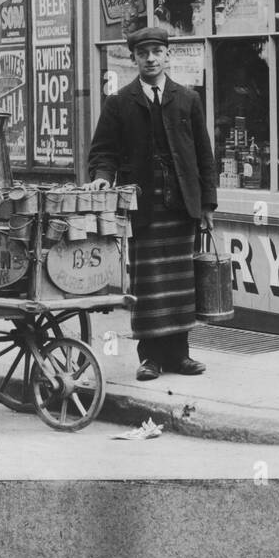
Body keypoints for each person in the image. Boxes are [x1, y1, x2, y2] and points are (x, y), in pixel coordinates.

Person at [87, 27, 217, 380]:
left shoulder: (187, 99)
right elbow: (104, 152)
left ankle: (180, 356)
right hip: (143, 208)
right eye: (143, 53)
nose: (150, 58)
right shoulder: (119, 103)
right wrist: (102, 175)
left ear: (167, 56)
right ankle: (150, 359)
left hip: (181, 206)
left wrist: (207, 204)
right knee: (148, 283)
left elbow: (204, 155)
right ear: (134, 59)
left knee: (180, 282)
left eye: (157, 51)